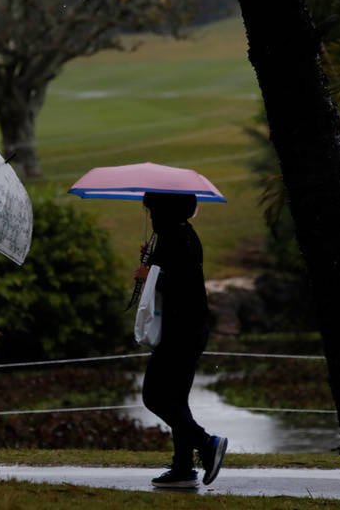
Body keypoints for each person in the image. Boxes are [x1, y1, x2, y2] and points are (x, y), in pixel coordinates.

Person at [134, 191, 228, 489]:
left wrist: (149, 275)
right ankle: (183, 467)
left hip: (181, 332)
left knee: (155, 396)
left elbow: (180, 284)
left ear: (164, 211)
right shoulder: (181, 233)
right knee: (175, 399)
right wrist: (150, 264)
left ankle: (206, 442)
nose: (150, 216)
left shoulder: (175, 237)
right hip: (190, 328)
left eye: (152, 210)